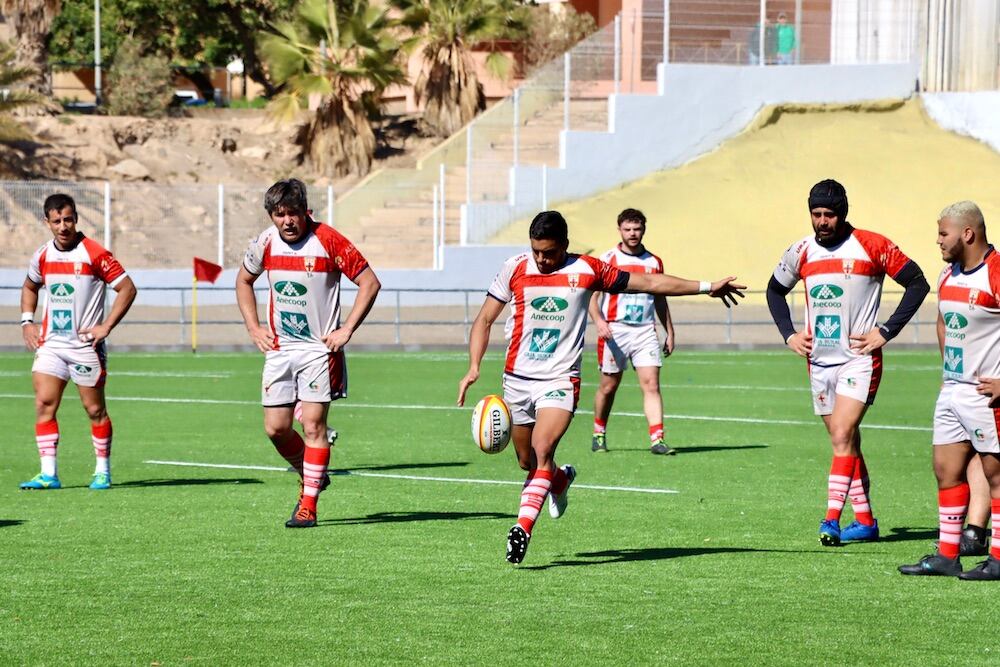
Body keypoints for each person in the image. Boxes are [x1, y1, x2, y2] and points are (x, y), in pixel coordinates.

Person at [457, 211, 744, 564]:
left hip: (560, 380)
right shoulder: (515, 267)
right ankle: (559, 481)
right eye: (536, 252)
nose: (542, 260)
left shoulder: (589, 270)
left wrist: (706, 286)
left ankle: (522, 529)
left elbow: (650, 284)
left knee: (542, 448)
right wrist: (473, 366)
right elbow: (484, 319)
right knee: (526, 461)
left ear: (564, 245)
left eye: (548, 252)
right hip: (517, 381)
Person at [766, 179, 929, 546]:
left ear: (843, 213)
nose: (823, 221)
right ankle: (867, 521)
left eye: (830, 214)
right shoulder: (801, 251)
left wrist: (885, 331)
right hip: (819, 362)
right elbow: (774, 290)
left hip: (859, 359)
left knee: (841, 434)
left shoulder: (873, 245)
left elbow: (917, 283)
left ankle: (831, 520)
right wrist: (789, 334)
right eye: (816, 214)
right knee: (846, 439)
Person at [236, 179, 381, 528]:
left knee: (314, 425)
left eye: (293, 213)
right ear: (272, 216)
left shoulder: (328, 240)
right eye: (279, 214)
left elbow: (369, 282)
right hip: (280, 350)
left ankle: (308, 504)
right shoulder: (265, 243)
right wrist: (254, 327)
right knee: (276, 428)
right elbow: (243, 280)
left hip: (318, 351)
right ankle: (310, 470)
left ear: (306, 212)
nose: (287, 221)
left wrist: (346, 329)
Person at [900, 201, 1000, 578]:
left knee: (996, 476)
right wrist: (947, 370)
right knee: (946, 469)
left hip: (986, 394)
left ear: (968, 234)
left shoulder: (995, 272)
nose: (938, 240)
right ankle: (946, 555)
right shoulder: (948, 275)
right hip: (953, 391)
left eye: (944, 233)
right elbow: (943, 322)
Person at [19, 193, 137, 491]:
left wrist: (106, 326)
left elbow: (127, 288)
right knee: (44, 403)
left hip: (85, 347)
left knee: (94, 410)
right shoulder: (43, 255)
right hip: (52, 346)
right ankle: (48, 474)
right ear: (47, 222)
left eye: (68, 219)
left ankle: (102, 471)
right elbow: (30, 285)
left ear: (76, 219)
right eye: (56, 221)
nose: (63, 226)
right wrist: (27, 321)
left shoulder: (94, 253)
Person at [589, 208, 677, 455]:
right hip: (614, 330)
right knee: (608, 386)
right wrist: (599, 321)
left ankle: (657, 439)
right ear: (619, 230)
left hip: (644, 331)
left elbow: (660, 297)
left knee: (651, 385)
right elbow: (591, 298)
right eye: (627, 229)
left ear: (644, 230)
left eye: (637, 229)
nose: (632, 234)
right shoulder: (607, 259)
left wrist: (669, 330)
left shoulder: (654, 262)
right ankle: (599, 432)